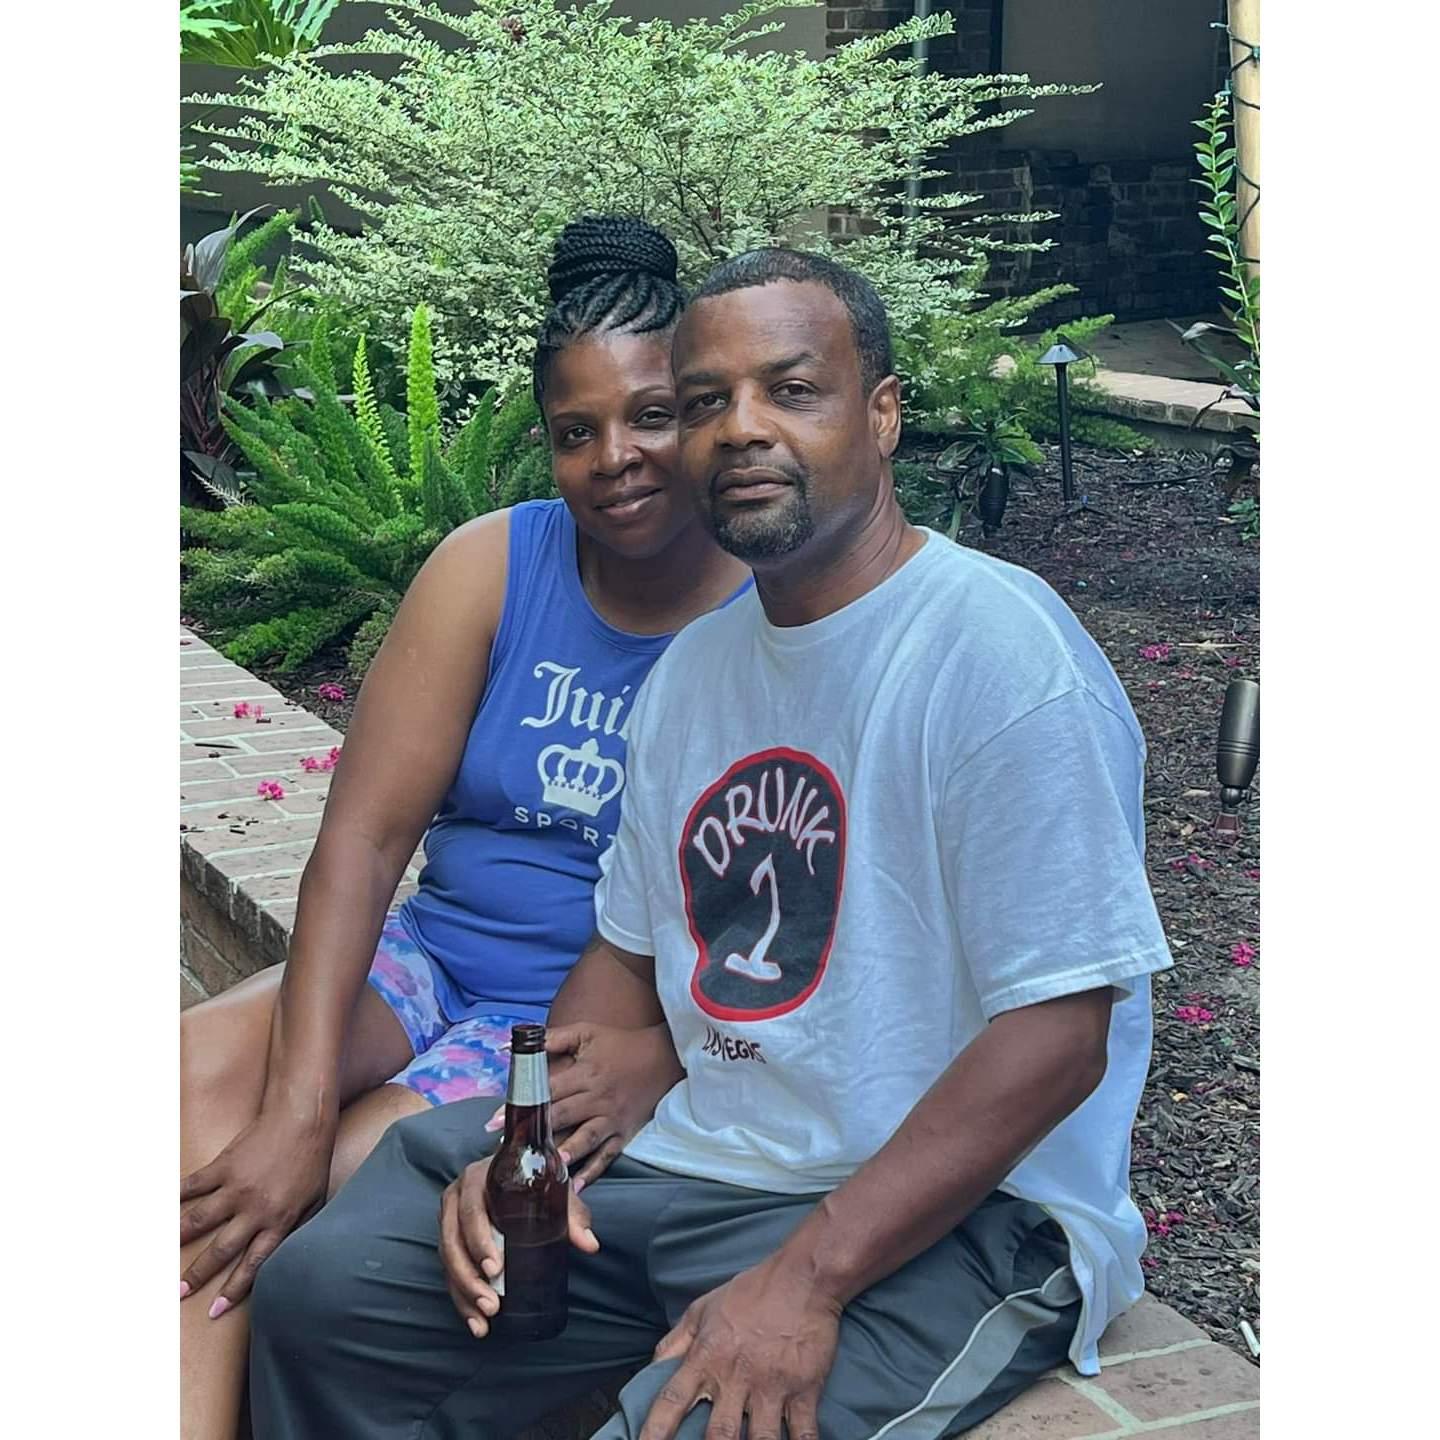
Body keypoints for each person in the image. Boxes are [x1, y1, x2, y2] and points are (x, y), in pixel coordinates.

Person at [246, 248, 1174, 1440]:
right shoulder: (698, 672)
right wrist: (530, 1144)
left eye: (791, 390)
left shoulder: (997, 655)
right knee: (332, 1288)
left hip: (968, 1219)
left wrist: (806, 1282)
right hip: (704, 1164)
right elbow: (625, 959)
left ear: (882, 415)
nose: (739, 429)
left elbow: (1059, 1037)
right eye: (703, 403)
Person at [178, 215, 751, 1440]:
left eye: (652, 416)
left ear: (704, 411)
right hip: (431, 959)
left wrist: (310, 1137)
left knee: (342, 1185)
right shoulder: (495, 566)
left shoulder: (768, 613)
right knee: (182, 1095)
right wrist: (291, 1107)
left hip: (569, 1026)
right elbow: (363, 842)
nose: (616, 458)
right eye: (575, 431)